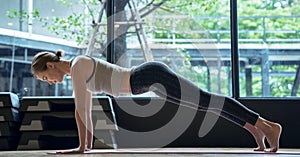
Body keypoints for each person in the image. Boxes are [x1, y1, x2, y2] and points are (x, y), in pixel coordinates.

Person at [31, 50, 282, 154]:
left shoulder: (78, 66)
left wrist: (82, 148)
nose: (49, 81)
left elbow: (81, 110)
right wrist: (84, 147)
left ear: (50, 64)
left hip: (149, 77)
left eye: (45, 76)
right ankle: (255, 129)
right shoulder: (78, 66)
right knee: (206, 104)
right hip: (147, 80)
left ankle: (267, 125)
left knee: (206, 101)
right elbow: (84, 109)